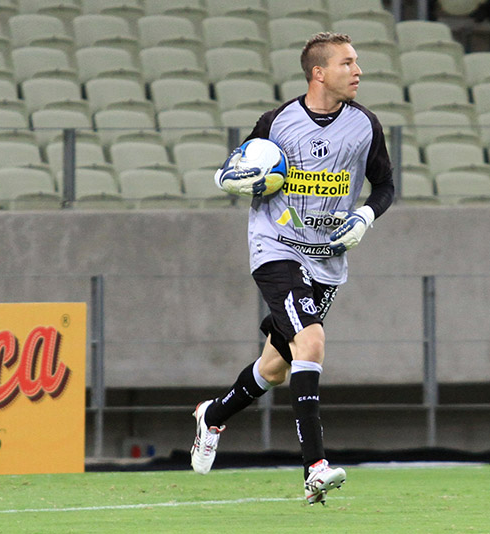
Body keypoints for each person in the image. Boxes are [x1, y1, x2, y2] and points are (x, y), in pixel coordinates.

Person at [191, 32, 394, 506]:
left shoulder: (365, 125)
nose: (358, 70)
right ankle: (316, 467)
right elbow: (236, 170)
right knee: (313, 340)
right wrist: (235, 178)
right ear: (319, 73)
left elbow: (384, 185)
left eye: (357, 62)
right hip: (276, 247)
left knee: (276, 367)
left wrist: (365, 215)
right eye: (348, 63)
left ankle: (213, 415)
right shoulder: (277, 122)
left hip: (326, 260)